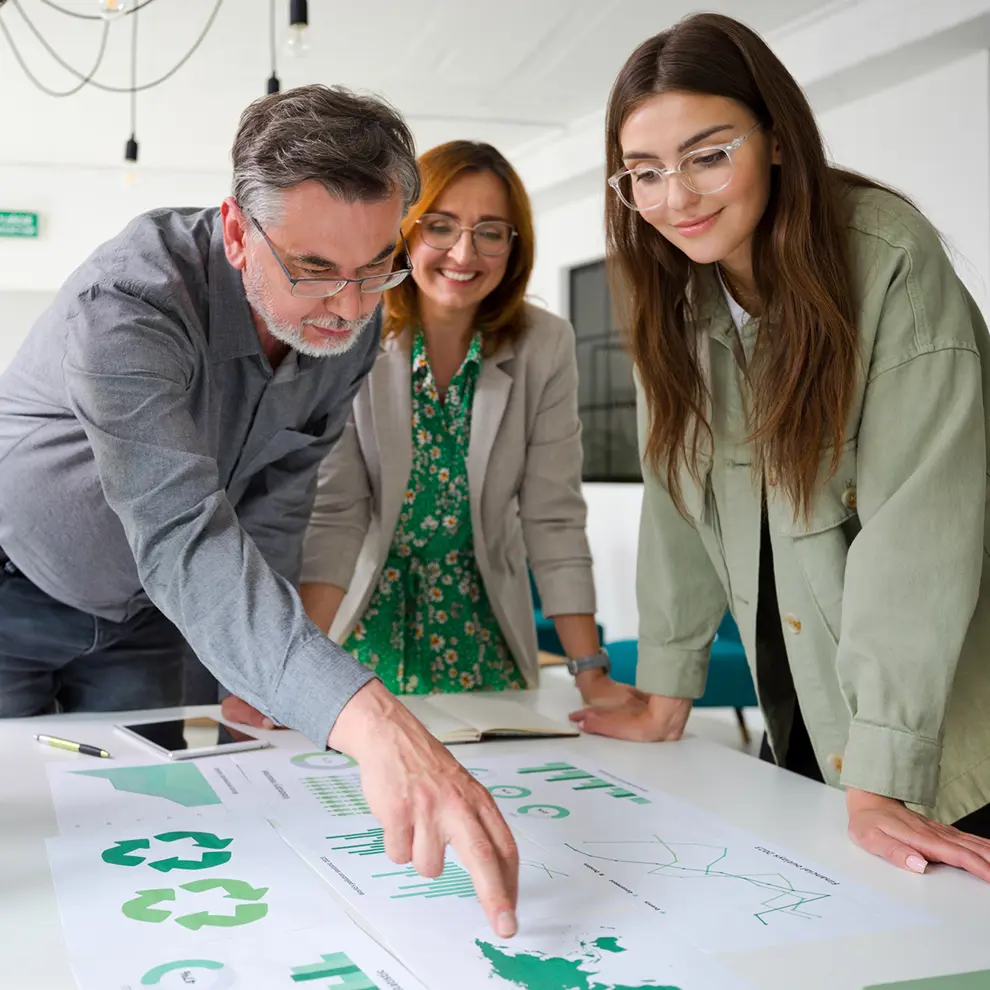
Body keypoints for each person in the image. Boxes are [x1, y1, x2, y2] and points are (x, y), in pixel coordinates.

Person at [0, 85, 519, 936]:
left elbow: (279, 494)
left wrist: (268, 673)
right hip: (17, 591)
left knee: (134, 840)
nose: (351, 307)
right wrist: (373, 723)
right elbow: (182, 532)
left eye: (374, 266)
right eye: (314, 270)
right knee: (23, 865)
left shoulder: (347, 325)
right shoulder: (128, 302)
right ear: (238, 234)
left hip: (155, 620)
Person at [568, 13, 990, 881]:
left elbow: (918, 529)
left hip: (934, 749)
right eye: (644, 174)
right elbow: (677, 502)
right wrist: (668, 688)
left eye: (707, 154)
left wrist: (881, 775)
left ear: (777, 139)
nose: (675, 198)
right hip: (802, 711)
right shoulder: (679, 300)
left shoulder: (887, 260)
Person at [222, 140, 639, 729]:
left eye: (491, 232)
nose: (464, 252)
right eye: (439, 226)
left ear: (513, 247)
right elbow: (339, 515)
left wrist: (590, 672)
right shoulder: (349, 334)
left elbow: (553, 516)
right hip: (362, 619)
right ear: (403, 233)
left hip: (484, 625)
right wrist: (290, 671)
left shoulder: (545, 345)